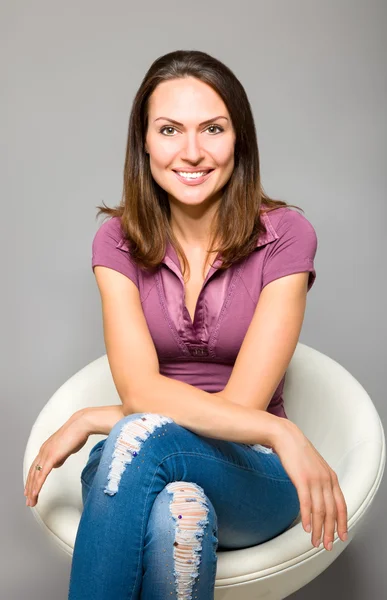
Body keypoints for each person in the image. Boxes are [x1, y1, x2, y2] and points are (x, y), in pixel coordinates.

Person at [24, 49, 348, 600]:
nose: (192, 152)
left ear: (238, 138)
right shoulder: (116, 242)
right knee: (177, 514)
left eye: (213, 129)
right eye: (170, 130)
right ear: (144, 142)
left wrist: (96, 419)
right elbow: (140, 390)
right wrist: (282, 428)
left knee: (136, 437)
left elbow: (244, 406)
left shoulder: (287, 236)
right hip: (153, 464)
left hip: (250, 472)